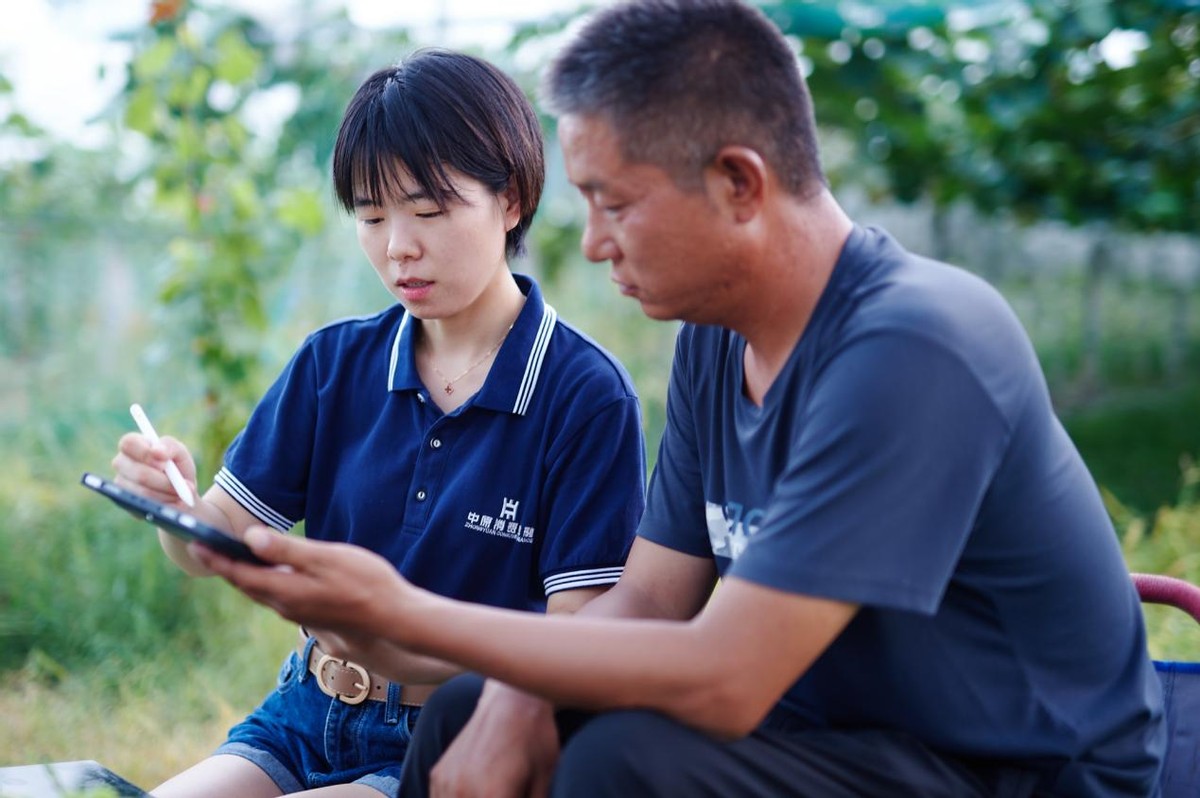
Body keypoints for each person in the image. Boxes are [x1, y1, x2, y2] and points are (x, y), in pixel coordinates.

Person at [191, 1, 1168, 796]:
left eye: (615, 203)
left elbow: (728, 677)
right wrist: (517, 698)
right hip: (844, 734)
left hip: (1014, 769)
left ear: (739, 183)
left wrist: (402, 611)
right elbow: (654, 598)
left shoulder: (918, 345)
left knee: (621, 764)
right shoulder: (715, 341)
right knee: (469, 711)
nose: (596, 242)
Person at [111, 48, 645, 798]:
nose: (398, 246)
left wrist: (390, 633)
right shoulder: (334, 365)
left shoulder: (584, 397)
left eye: (428, 211)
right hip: (306, 711)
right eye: (370, 215)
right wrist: (175, 512)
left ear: (513, 198)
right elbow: (213, 543)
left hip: (459, 737)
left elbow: (576, 646)